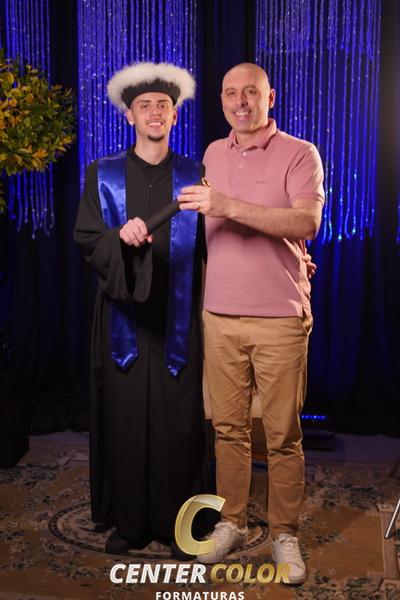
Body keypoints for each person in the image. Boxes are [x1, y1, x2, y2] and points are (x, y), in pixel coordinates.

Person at [178, 62, 324, 584]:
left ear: (270, 98)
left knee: (281, 436)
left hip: (280, 317)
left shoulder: (300, 153)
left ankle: (284, 533)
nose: (240, 102)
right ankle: (232, 522)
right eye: (230, 94)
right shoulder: (213, 154)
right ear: (221, 100)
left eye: (251, 93)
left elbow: (306, 221)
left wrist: (230, 205)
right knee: (229, 430)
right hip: (219, 313)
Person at [74, 62, 210, 556]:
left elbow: (216, 245)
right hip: (123, 321)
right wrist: (119, 237)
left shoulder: (196, 176)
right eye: (144, 105)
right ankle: (130, 523)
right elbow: (88, 239)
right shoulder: (103, 174)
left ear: (174, 116)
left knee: (180, 424)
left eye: (163, 106)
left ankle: (181, 525)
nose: (154, 112)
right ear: (129, 115)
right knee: (126, 420)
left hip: (178, 317)